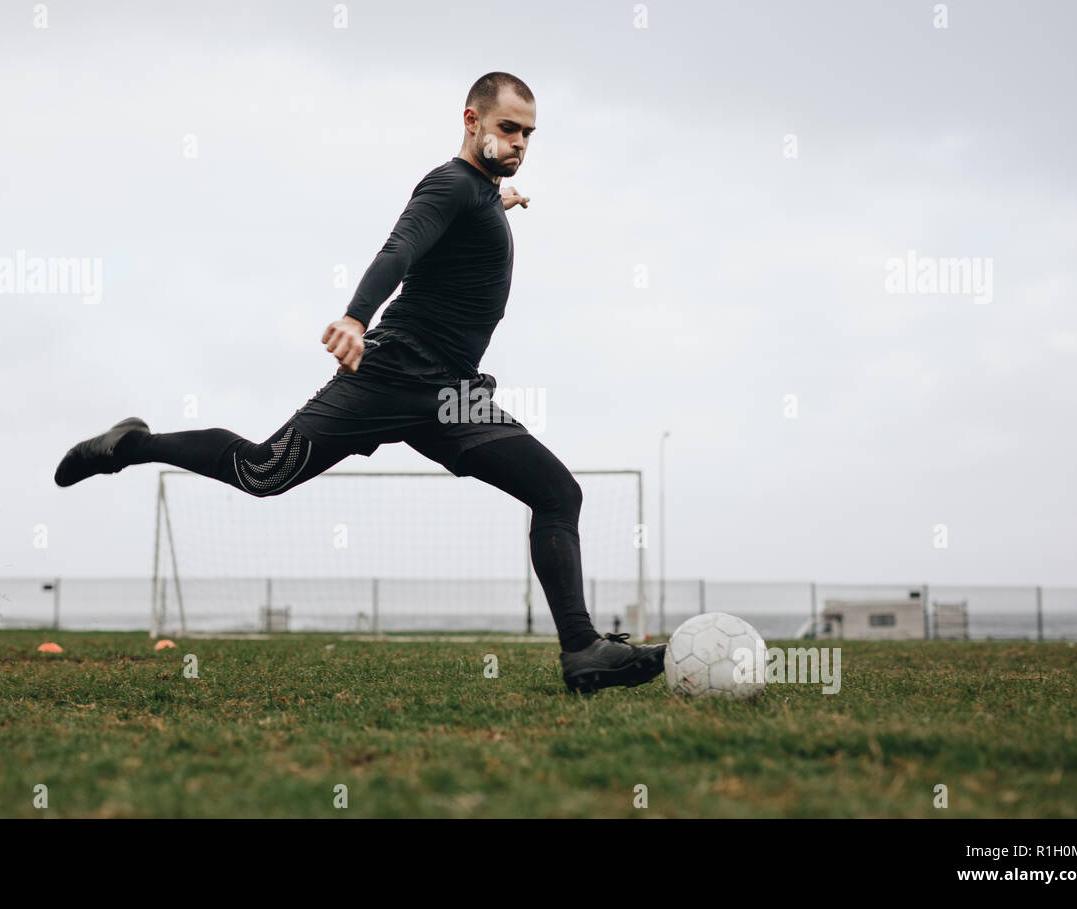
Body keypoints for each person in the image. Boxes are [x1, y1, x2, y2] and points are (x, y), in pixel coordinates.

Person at [54, 72, 665, 693]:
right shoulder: (450, 185)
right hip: (389, 379)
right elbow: (399, 249)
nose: (519, 145)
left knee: (557, 493)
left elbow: (455, 231)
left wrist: (494, 207)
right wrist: (355, 317)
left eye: (529, 134)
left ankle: (582, 651)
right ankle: (132, 446)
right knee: (263, 473)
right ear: (471, 121)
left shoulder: (478, 195)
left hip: (453, 397)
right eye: (507, 129)